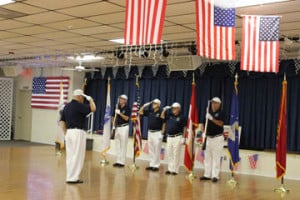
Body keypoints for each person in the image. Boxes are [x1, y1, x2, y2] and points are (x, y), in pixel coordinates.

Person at [60, 89, 96, 184]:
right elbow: (93, 109)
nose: (83, 100)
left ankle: (70, 176)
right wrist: (91, 100)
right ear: (79, 97)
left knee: (70, 156)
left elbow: (62, 121)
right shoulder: (80, 106)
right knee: (78, 155)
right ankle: (73, 178)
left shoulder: (66, 107)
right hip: (77, 133)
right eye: (83, 98)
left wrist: (65, 133)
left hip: (69, 133)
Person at [200, 97, 225, 183]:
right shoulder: (208, 113)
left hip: (217, 138)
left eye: (215, 103)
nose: (213, 105)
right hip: (208, 138)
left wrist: (212, 119)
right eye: (212, 103)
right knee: (207, 157)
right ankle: (207, 174)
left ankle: (215, 176)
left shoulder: (221, 113)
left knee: (216, 157)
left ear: (219, 104)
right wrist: (203, 132)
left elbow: (221, 124)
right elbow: (203, 124)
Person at [139, 99, 165, 172]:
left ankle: (156, 165)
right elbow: (140, 112)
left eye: (155, 103)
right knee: (151, 149)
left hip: (157, 133)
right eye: (153, 103)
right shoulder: (150, 111)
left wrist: (162, 133)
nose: (153, 104)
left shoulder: (161, 112)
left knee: (157, 149)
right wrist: (144, 106)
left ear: (158, 105)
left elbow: (164, 123)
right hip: (150, 132)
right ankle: (152, 164)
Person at [161, 102, 186, 175]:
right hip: (169, 137)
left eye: (175, 108)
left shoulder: (182, 117)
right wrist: (164, 110)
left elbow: (185, 127)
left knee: (176, 154)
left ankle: (175, 170)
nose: (173, 110)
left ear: (179, 109)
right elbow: (162, 117)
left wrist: (184, 138)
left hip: (177, 137)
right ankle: (170, 169)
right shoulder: (169, 115)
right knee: (169, 153)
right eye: (172, 108)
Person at [112, 94, 131, 168]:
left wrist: (120, 113)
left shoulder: (127, 108)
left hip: (124, 127)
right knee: (117, 144)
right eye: (120, 98)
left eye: (122, 99)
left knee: (123, 144)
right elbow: (113, 116)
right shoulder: (117, 106)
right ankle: (118, 160)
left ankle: (122, 162)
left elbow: (126, 118)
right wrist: (113, 125)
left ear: (125, 101)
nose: (120, 100)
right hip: (117, 127)